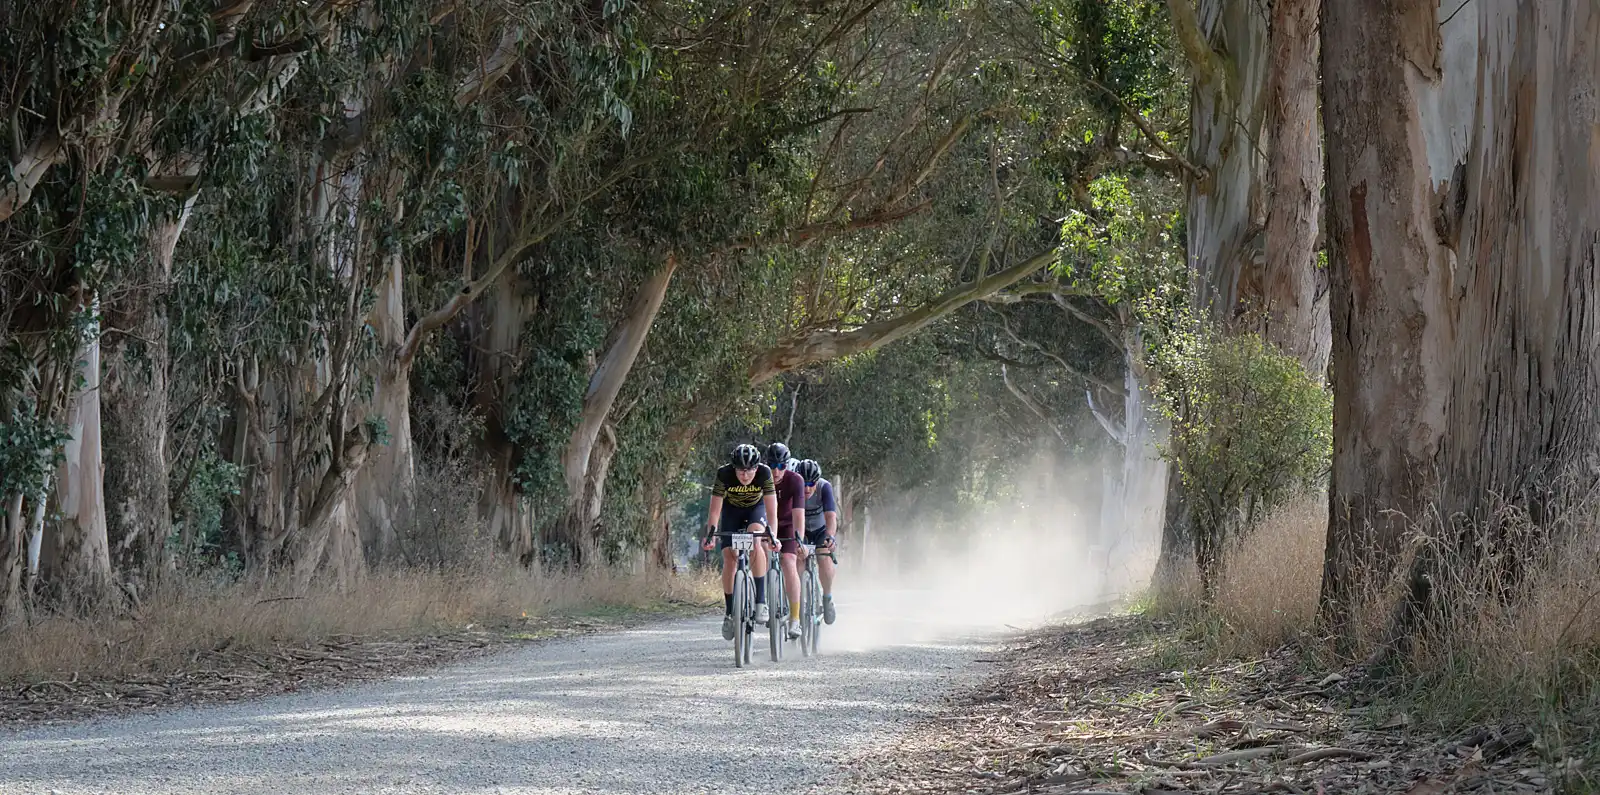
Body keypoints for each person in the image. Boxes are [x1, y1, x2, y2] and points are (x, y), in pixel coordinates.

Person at [701, 443, 780, 641]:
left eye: (749, 470)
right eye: (740, 471)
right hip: (732, 512)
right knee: (729, 557)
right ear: (733, 467)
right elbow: (714, 511)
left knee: (755, 540)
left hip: (756, 510)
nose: (745, 475)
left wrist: (773, 536)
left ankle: (761, 601)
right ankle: (729, 612)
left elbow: (772, 511)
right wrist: (710, 535)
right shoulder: (724, 474)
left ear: (757, 467)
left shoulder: (764, 473)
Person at [764, 442, 808, 641]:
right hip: (766, 525)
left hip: (788, 525)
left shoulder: (795, 480)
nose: (776, 471)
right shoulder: (761, 477)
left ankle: (795, 617)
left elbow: (799, 514)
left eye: (781, 466)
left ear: (787, 465)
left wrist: (799, 539)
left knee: (789, 562)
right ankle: (763, 601)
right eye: (772, 465)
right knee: (760, 555)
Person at [795, 458, 839, 624]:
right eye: (803, 483)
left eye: (811, 483)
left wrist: (830, 536)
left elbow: (830, 517)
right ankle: (797, 601)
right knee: (798, 560)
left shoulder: (824, 487)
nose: (807, 488)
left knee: (824, 559)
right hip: (801, 531)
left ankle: (827, 597)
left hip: (821, 531)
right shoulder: (793, 487)